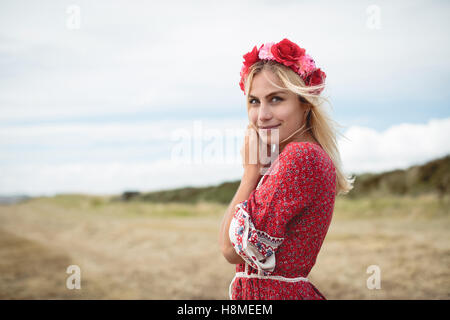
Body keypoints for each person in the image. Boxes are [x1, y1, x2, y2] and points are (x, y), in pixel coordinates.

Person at [218, 38, 355, 300]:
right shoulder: (301, 156)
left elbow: (230, 249)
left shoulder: (300, 157)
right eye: (254, 101)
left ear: (305, 103)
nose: (262, 115)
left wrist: (250, 174)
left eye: (276, 99)